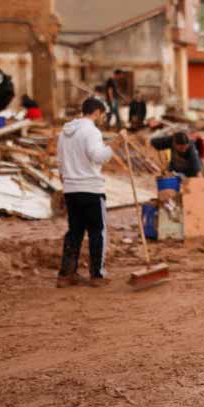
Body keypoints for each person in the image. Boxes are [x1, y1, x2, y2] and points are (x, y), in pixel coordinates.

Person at [56, 97, 114, 288]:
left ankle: (66, 274)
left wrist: (67, 182)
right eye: (102, 115)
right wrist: (114, 148)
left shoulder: (64, 133)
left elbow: (60, 163)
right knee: (97, 232)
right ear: (96, 112)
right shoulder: (92, 131)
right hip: (91, 189)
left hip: (71, 189)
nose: (101, 119)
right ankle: (97, 275)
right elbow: (97, 156)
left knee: (75, 232)